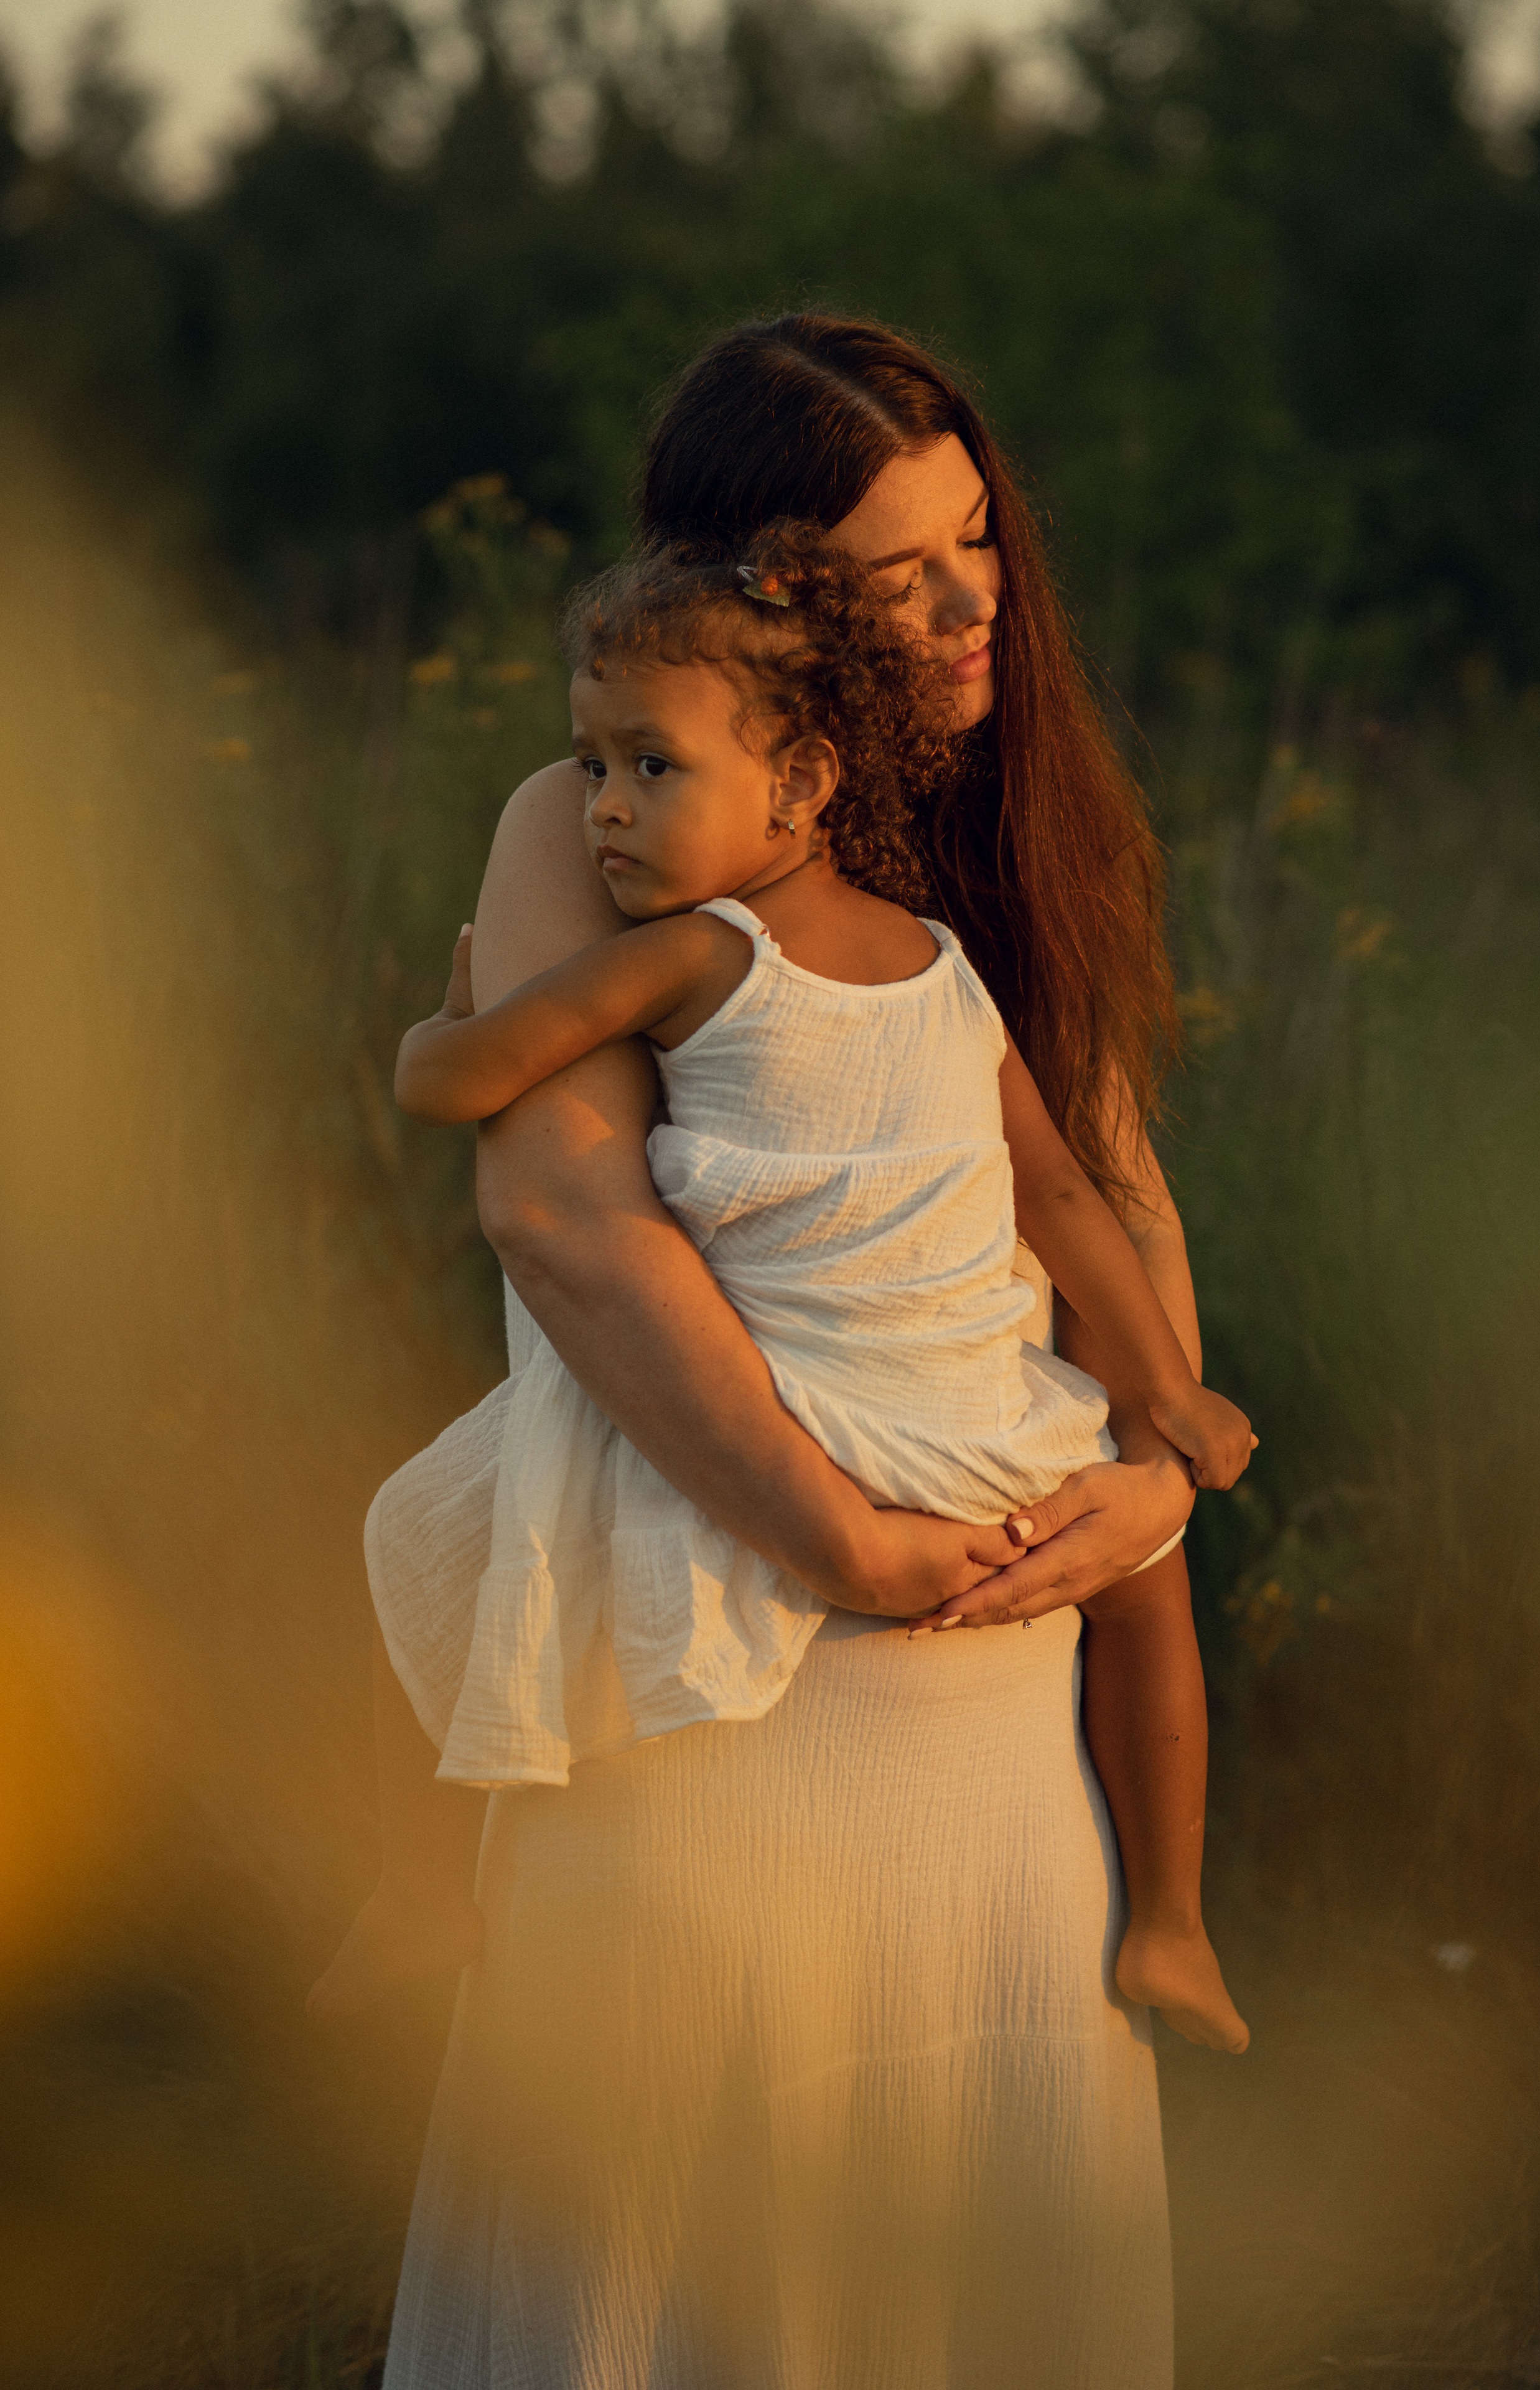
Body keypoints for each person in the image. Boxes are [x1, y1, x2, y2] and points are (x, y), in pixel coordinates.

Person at [323, 315, 1226, 2388]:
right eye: (902, 571)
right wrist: (844, 1544)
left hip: (992, 1701)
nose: (976, 600)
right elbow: (561, 1216)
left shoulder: (1010, 836)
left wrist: (1158, 1479)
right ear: (760, 599)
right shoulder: (597, 825)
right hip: (713, 1673)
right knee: (670, 2258)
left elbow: (1105, 1192)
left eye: (979, 538)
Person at [387, 522, 1253, 2061]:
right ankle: (1172, 1922)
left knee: (512, 1502)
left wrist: (435, 1028)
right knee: (1144, 1581)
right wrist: (1161, 1394)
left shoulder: (700, 959)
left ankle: (424, 1877)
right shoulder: (922, 964)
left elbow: (463, 1084)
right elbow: (1062, 1199)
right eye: (591, 768)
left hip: (839, 1411)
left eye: (649, 768)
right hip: (959, 1429)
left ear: (799, 781)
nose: (601, 810)